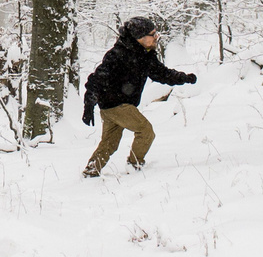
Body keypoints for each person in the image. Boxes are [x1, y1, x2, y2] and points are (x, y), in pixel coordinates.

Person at [80, 16, 196, 177]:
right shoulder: (117, 55)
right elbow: (96, 79)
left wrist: (184, 78)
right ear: (140, 37)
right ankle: (135, 165)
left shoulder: (145, 54)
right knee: (146, 131)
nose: (156, 37)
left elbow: (161, 74)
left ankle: (91, 170)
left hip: (114, 106)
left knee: (110, 143)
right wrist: (88, 105)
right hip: (117, 105)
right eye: (153, 34)